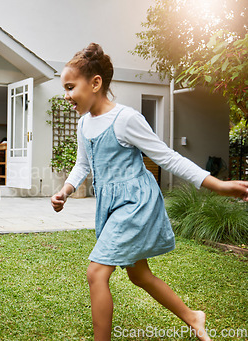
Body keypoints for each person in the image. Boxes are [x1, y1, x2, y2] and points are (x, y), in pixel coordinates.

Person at [50, 43, 248, 341]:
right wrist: (65, 190)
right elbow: (82, 165)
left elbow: (167, 157)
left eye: (70, 86)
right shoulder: (83, 125)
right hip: (111, 205)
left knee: (96, 273)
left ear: (95, 83)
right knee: (139, 275)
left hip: (135, 203)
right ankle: (194, 317)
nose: (66, 95)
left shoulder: (126, 119)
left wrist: (217, 184)